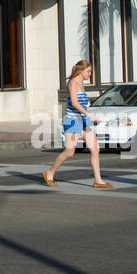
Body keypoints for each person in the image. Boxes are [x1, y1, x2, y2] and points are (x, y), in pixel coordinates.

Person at [44, 60, 113, 189]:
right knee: (70, 152)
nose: (90, 74)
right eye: (88, 71)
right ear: (81, 71)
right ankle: (50, 172)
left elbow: (82, 103)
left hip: (84, 120)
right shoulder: (73, 83)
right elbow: (75, 103)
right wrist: (89, 114)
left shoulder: (81, 83)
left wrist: (88, 114)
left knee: (95, 149)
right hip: (73, 120)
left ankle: (98, 180)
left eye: (90, 71)